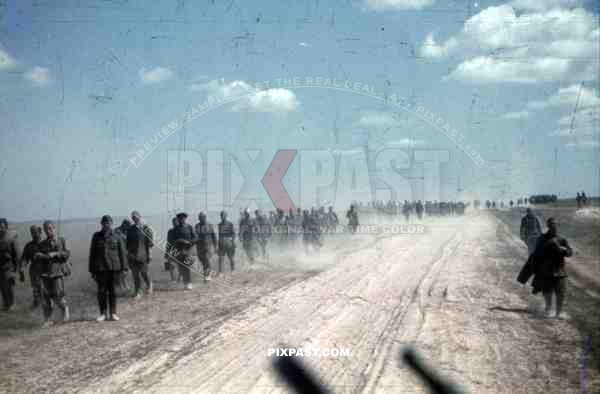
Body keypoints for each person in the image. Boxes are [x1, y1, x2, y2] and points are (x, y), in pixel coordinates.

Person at [530, 218, 573, 318]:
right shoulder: (542, 238)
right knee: (547, 293)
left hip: (560, 272)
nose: (554, 227)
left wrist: (562, 249)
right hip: (546, 271)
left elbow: (570, 253)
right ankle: (548, 310)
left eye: (555, 225)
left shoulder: (562, 239)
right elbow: (536, 254)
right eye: (552, 225)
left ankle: (558, 313)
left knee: (560, 294)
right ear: (548, 226)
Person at [89, 215, 127, 321]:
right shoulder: (96, 236)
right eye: (104, 223)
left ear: (112, 224)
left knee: (113, 291)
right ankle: (103, 313)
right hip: (100, 268)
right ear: (101, 224)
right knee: (101, 292)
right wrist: (92, 270)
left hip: (114, 268)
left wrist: (124, 268)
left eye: (109, 223)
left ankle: (113, 313)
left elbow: (122, 253)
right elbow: (92, 254)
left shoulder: (117, 236)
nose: (106, 225)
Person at [36, 220, 71, 326]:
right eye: (46, 229)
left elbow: (67, 253)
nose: (48, 231)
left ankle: (65, 312)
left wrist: (55, 253)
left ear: (54, 228)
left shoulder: (61, 240)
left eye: (50, 228)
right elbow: (39, 257)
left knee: (58, 296)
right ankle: (48, 319)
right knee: (46, 298)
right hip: (45, 273)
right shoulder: (42, 244)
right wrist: (40, 256)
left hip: (57, 273)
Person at [126, 211, 154, 298]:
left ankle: (149, 285)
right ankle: (138, 291)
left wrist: (149, 254)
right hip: (132, 256)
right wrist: (128, 254)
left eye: (136, 217)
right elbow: (127, 243)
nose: (135, 219)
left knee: (144, 273)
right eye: (133, 217)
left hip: (143, 255)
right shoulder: (130, 229)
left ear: (140, 217)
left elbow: (150, 243)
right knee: (135, 274)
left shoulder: (146, 228)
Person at [20, 225, 44, 309]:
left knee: (45, 290)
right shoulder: (29, 246)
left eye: (35, 232)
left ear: (40, 232)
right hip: (34, 271)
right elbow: (24, 258)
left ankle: (45, 307)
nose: (33, 234)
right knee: (36, 290)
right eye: (32, 233)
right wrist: (22, 268)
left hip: (46, 270)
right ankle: (37, 306)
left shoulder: (45, 243)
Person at [172, 212, 197, 290]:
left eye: (183, 218)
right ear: (178, 219)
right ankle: (185, 282)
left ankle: (189, 282)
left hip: (188, 250)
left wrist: (189, 242)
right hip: (179, 250)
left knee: (187, 266)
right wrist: (179, 241)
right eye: (180, 218)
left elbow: (195, 238)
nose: (181, 220)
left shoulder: (189, 227)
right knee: (181, 268)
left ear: (185, 219)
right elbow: (172, 240)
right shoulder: (175, 229)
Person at [0, 218, 19, 311]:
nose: (0, 229)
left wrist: (16, 268)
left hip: (9, 267)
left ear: (6, 227)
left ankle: (12, 304)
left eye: (2, 227)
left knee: (10, 286)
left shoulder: (11, 238)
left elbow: (16, 254)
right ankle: (6, 304)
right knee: (2, 286)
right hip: (1, 267)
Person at [195, 211, 217, 282]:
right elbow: (195, 236)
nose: (202, 218)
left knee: (207, 260)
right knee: (203, 261)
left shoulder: (209, 225)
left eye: (203, 217)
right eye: (200, 217)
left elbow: (214, 236)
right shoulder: (197, 226)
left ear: (205, 217)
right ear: (199, 218)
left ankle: (207, 276)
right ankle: (206, 274)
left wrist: (215, 245)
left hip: (208, 246)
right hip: (199, 247)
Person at [114, 219, 132, 295]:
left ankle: (123, 285)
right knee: (121, 271)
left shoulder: (127, 231)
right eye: (128, 226)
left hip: (126, 254)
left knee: (125, 271)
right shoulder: (117, 231)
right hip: (118, 254)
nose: (129, 227)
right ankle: (122, 286)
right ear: (124, 224)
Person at [164, 217, 179, 283]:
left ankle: (179, 278)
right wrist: (166, 253)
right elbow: (168, 242)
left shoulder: (182, 230)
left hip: (181, 251)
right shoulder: (170, 231)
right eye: (173, 222)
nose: (175, 223)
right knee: (171, 265)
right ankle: (173, 279)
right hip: (173, 251)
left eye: (176, 222)